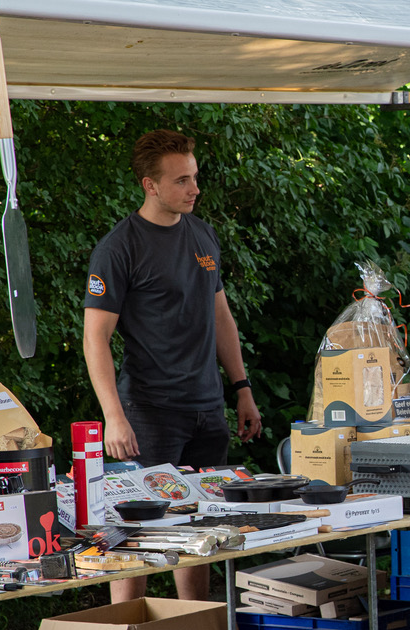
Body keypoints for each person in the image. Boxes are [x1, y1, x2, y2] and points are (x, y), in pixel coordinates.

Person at [83, 129, 262, 603]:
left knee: (202, 527)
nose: (194, 188)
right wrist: (113, 417)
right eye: (182, 180)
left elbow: (221, 315)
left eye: (195, 177)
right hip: (147, 412)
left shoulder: (203, 233)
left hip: (207, 407)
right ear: (151, 185)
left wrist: (241, 388)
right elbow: (94, 338)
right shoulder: (118, 248)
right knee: (134, 534)